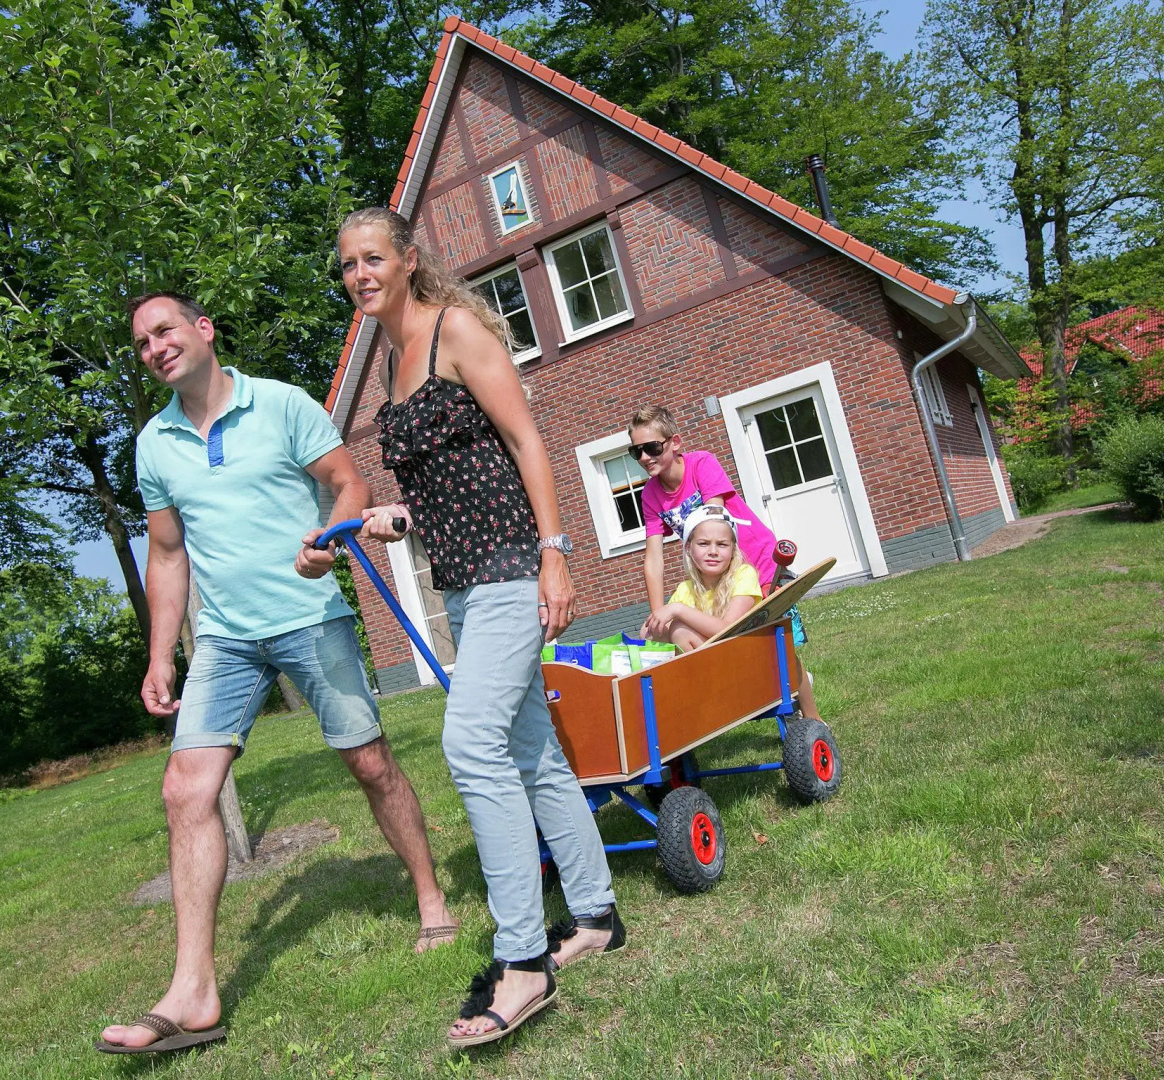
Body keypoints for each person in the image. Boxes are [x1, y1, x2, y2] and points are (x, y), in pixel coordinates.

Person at [96, 293, 455, 1055]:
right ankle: (193, 991)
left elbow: (347, 483)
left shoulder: (282, 404)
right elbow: (167, 554)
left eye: (163, 331)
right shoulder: (154, 444)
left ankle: (430, 898)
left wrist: (328, 536)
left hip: (308, 614)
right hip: (223, 640)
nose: (153, 348)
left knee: (368, 762)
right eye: (140, 344)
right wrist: (161, 656)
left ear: (203, 329)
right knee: (184, 790)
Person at [340, 207, 625, 1048]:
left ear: (408, 260)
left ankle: (523, 960)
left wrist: (556, 552)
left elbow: (527, 442)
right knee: (530, 747)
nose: (360, 274)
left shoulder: (455, 330)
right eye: (349, 263)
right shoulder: (393, 363)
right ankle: (598, 913)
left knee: (472, 745)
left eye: (373, 258)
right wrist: (398, 517)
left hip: (511, 566)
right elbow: (450, 477)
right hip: (462, 582)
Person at [630, 404, 820, 717]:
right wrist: (660, 617)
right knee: (728, 643)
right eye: (635, 452)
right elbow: (654, 558)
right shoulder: (650, 494)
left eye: (651, 448)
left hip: (756, 564)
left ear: (675, 442)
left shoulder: (700, 464)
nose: (644, 458)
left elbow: (714, 521)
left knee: (778, 644)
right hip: (715, 572)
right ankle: (766, 690)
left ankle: (813, 717)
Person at [641, 505, 761, 649]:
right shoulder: (685, 589)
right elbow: (648, 634)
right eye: (703, 544)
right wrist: (654, 627)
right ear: (688, 548)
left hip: (744, 655)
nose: (713, 551)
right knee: (655, 632)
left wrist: (678, 610)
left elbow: (729, 629)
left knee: (680, 631)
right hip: (711, 659)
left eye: (722, 544)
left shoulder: (744, 575)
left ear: (733, 549)